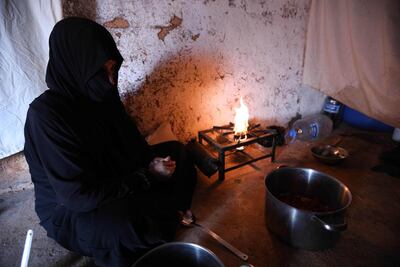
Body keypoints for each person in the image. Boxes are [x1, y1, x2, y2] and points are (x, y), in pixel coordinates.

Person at [24, 17, 197, 267]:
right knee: (124, 223)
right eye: (101, 71)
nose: (112, 81)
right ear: (76, 66)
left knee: (178, 153)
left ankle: (166, 214)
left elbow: (132, 146)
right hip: (72, 210)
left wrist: (153, 163)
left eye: (113, 68)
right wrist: (146, 177)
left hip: (115, 178)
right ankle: (162, 216)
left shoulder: (102, 96)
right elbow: (78, 197)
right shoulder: (46, 117)